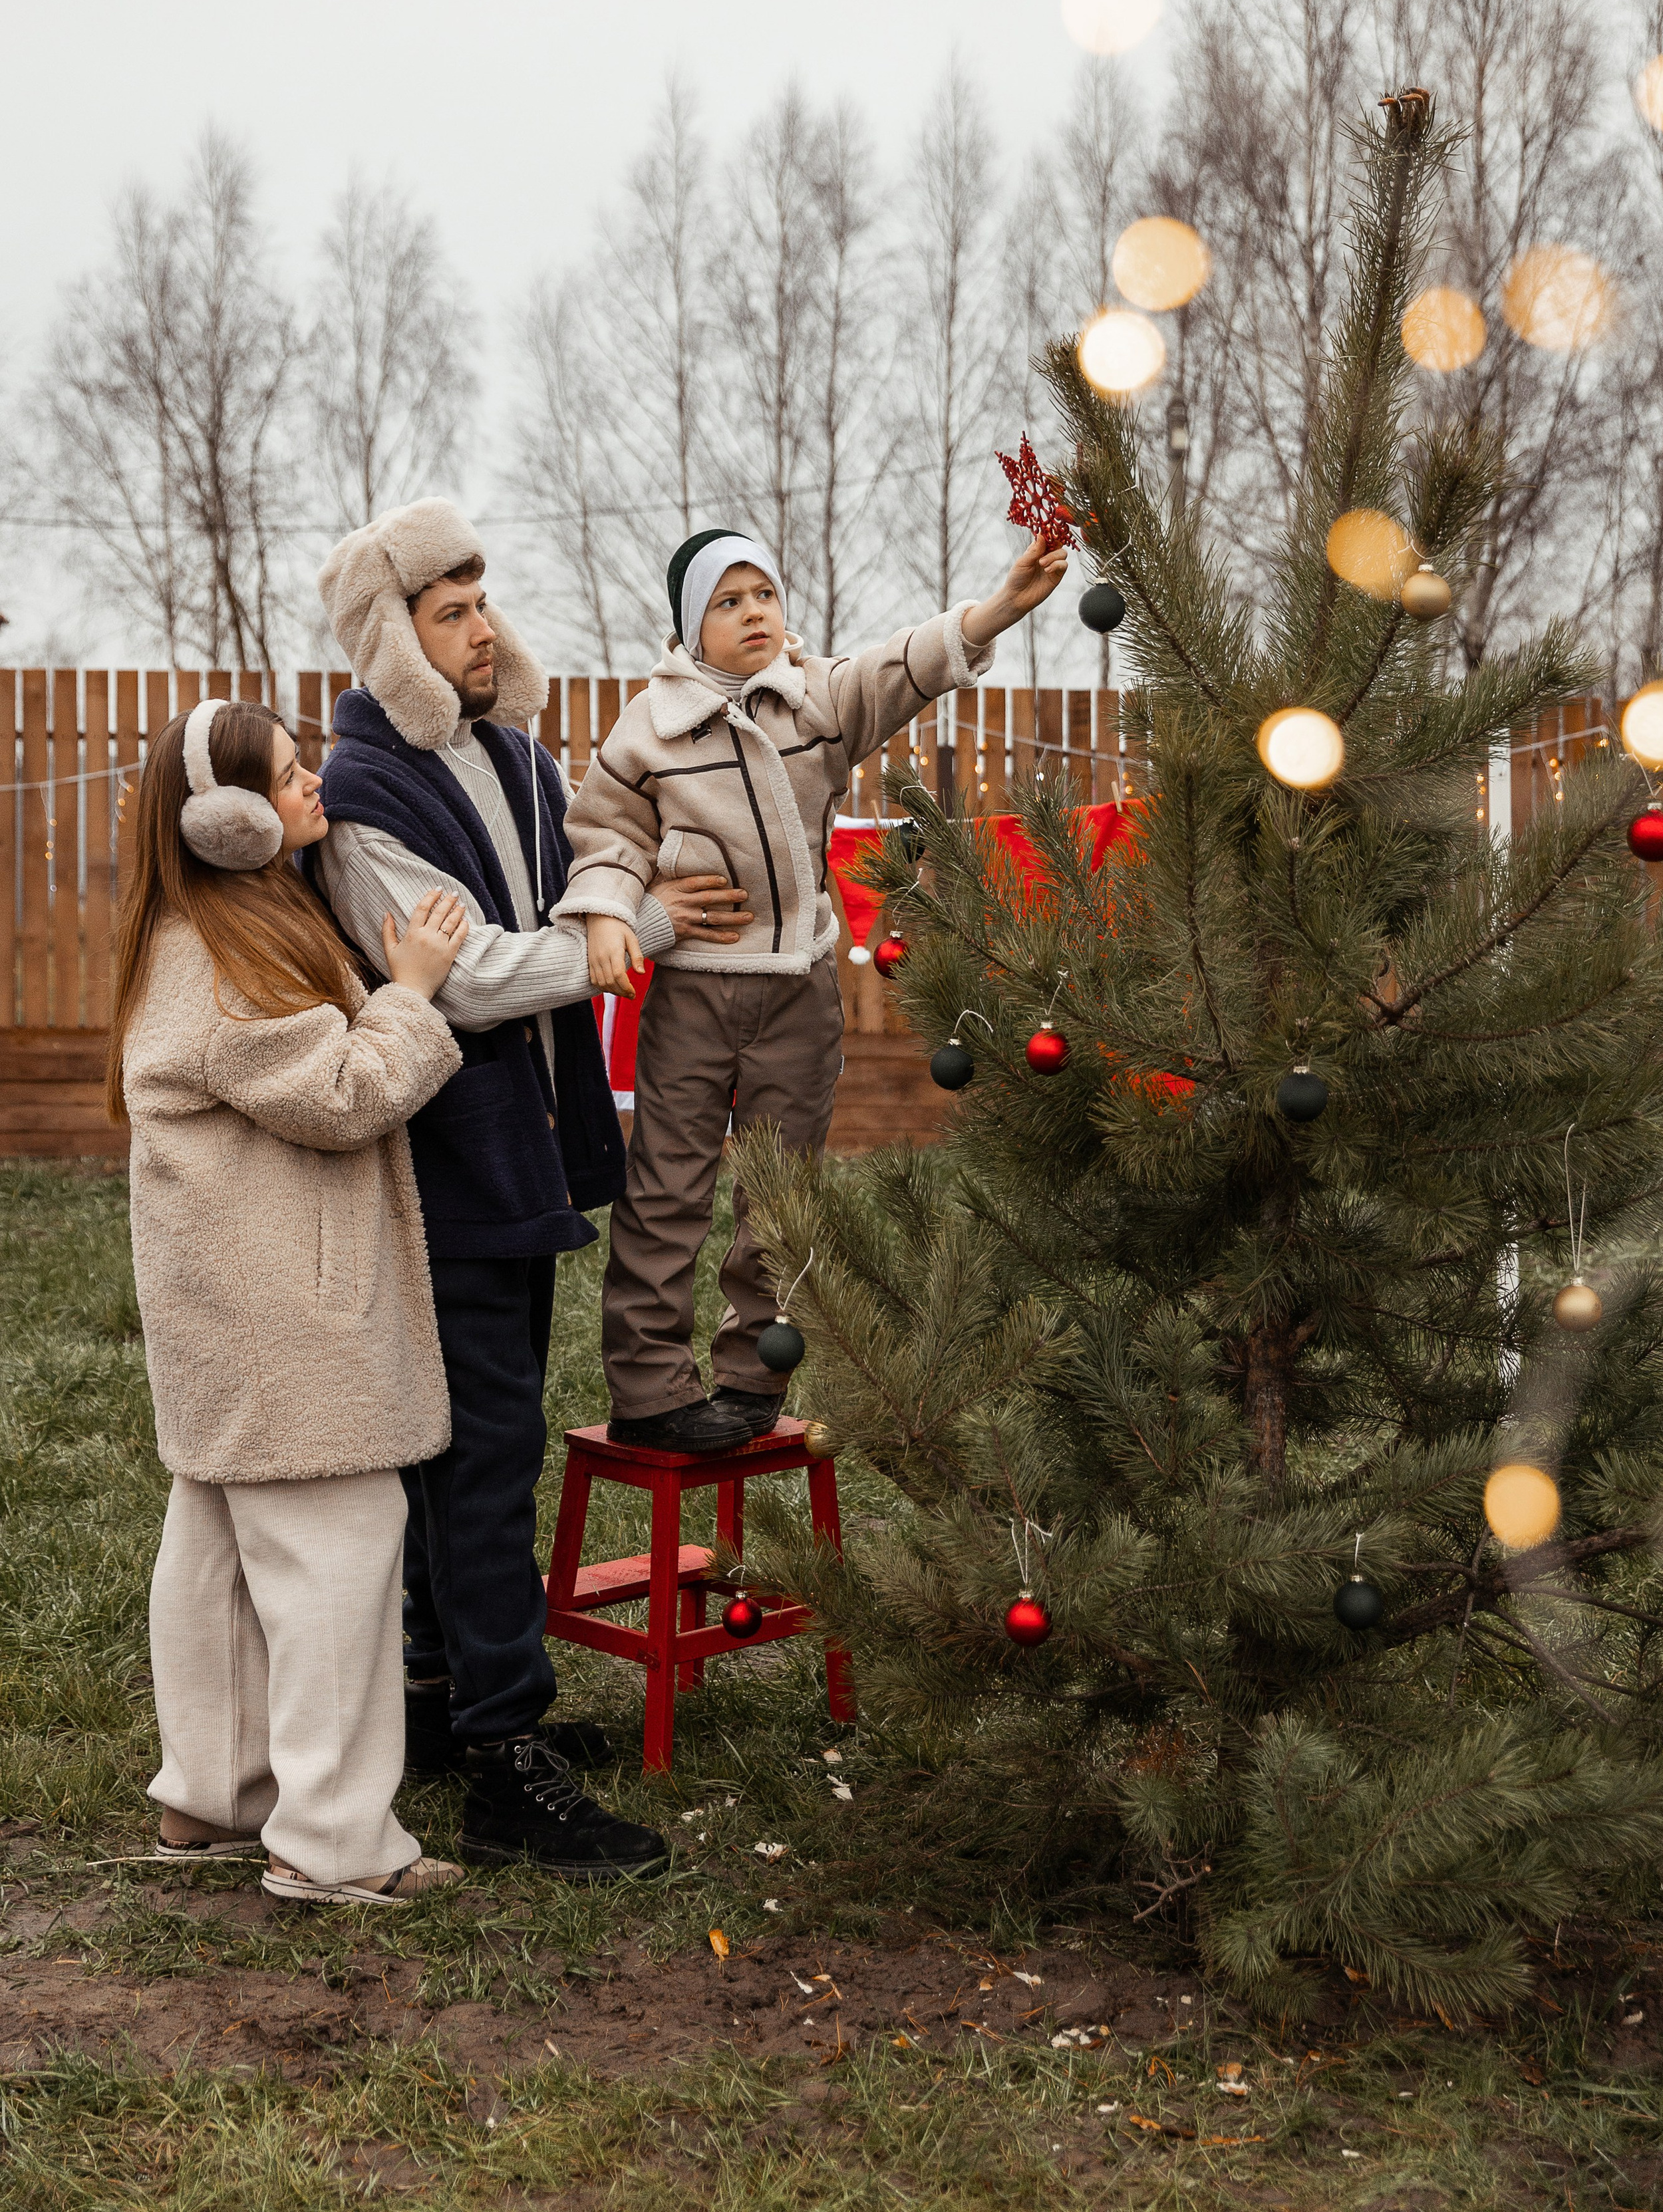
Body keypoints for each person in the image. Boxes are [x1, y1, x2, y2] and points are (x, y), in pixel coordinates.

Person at [313, 495, 750, 1877]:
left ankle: (441, 1704)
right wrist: (653, 929)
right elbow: (476, 975)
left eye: (481, 597)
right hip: (447, 1165)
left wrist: (652, 873)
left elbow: (574, 887)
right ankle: (507, 1760)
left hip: (521, 1150)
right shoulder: (366, 794)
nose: (481, 626)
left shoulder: (512, 751)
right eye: (447, 612)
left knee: (470, 1441)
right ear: (393, 638)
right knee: (484, 1455)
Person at [558, 527, 1070, 1453]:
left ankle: (755, 1373)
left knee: (782, 1190)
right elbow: (605, 835)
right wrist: (606, 913)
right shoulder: (650, 728)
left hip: (797, 989)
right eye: (729, 600)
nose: (755, 611)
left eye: (765, 594)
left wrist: (999, 607)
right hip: (694, 990)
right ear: (689, 626)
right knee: (668, 1184)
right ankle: (647, 1385)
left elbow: (904, 664)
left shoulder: (818, 700)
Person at [113, 696, 469, 1906]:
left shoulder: (213, 936)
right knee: (340, 1552)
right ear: (220, 825)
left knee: (215, 1548)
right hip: (284, 1324)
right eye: (285, 774)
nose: (313, 782)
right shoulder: (222, 964)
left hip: (236, 1311)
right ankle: (331, 1839)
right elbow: (349, 1093)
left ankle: (209, 1792)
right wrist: (413, 987)